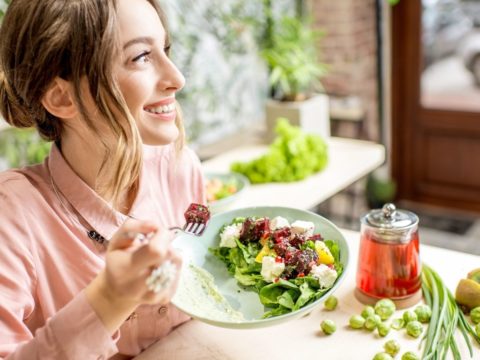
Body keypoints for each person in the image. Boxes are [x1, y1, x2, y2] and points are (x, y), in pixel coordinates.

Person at [0, 0, 206, 358]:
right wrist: (110, 299)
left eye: (165, 49)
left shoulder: (180, 168)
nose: (177, 78)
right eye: (141, 56)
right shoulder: (13, 217)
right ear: (62, 97)